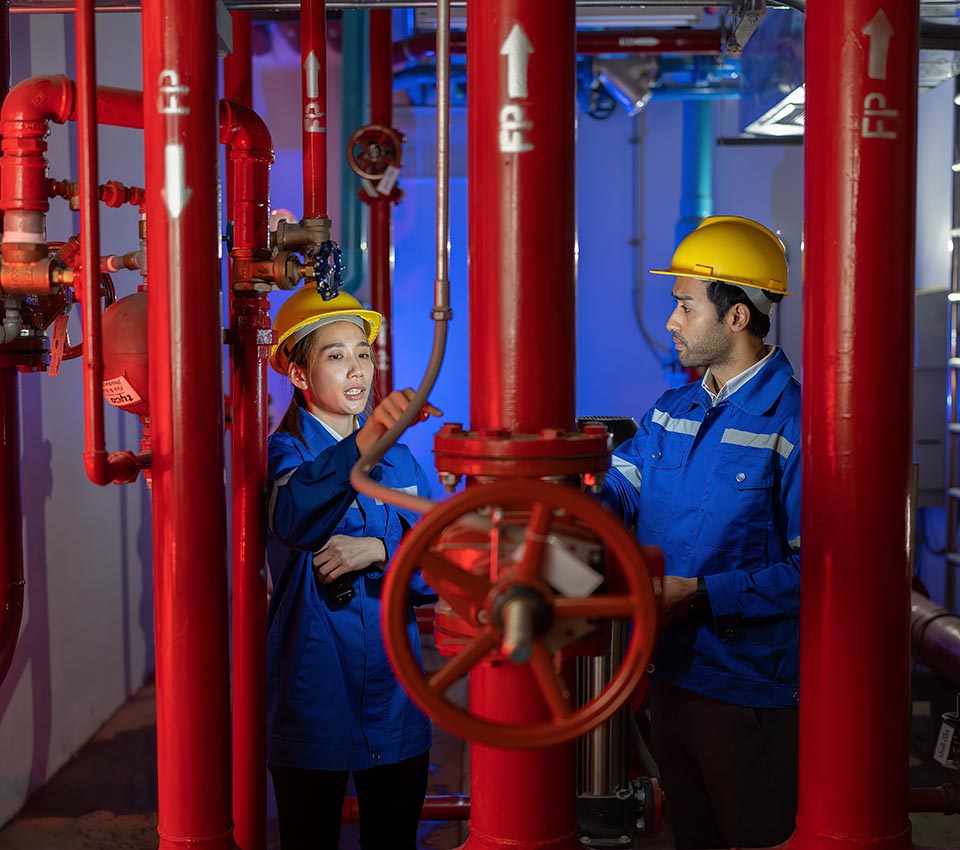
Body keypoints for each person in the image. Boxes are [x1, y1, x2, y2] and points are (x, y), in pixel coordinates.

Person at [602, 216, 801, 849]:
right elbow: (620, 493)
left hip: (746, 691)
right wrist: (569, 482)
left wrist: (703, 595)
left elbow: (818, 570)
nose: (672, 321)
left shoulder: (795, 424)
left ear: (736, 316)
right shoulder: (670, 411)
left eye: (685, 306)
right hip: (667, 674)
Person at [265, 286, 439, 850]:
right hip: (314, 694)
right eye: (336, 355)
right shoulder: (283, 456)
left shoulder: (402, 460)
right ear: (299, 374)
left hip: (397, 694)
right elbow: (293, 516)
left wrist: (382, 549)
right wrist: (365, 441)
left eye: (363, 353)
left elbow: (440, 565)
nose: (357, 368)